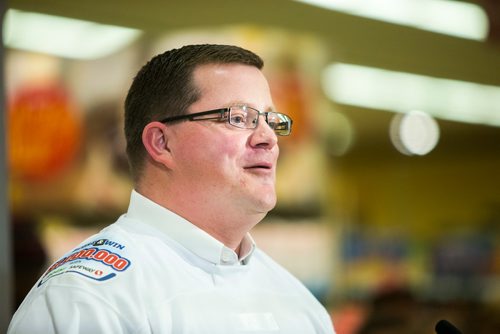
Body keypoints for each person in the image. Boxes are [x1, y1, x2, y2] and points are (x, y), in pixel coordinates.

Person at [8, 44, 335, 333]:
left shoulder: (299, 304)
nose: (269, 138)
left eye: (271, 120)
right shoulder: (87, 299)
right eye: (239, 117)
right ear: (161, 143)